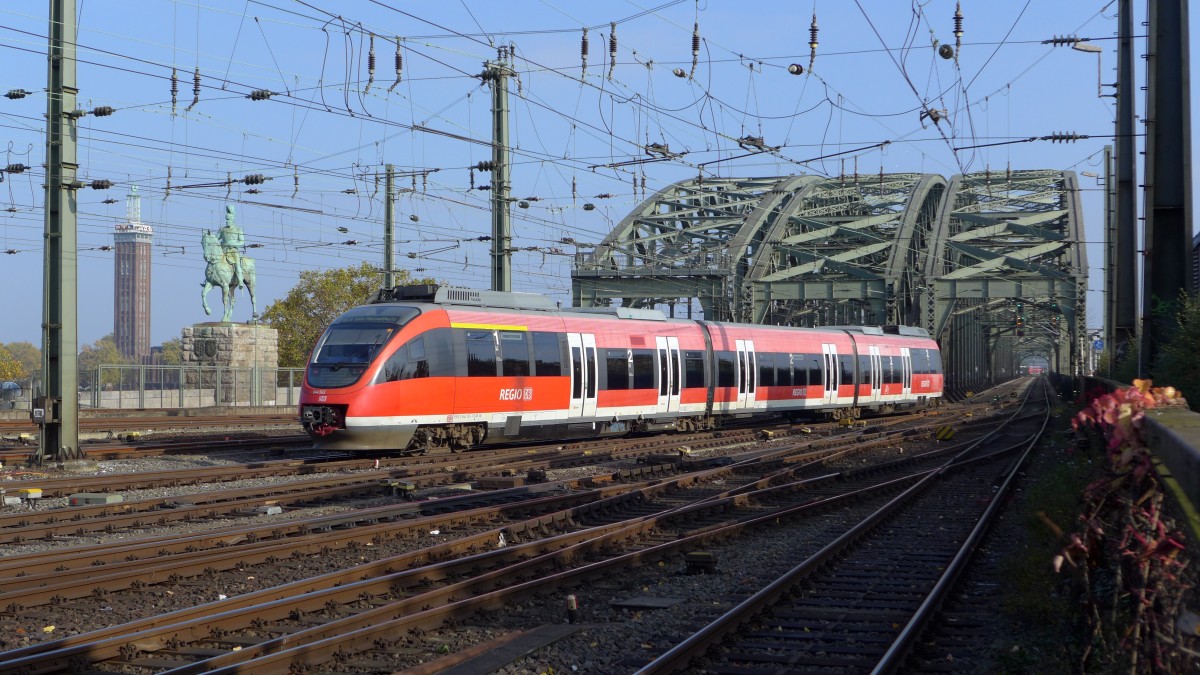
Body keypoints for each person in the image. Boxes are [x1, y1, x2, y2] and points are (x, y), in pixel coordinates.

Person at [218, 204, 245, 277]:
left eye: (228, 220)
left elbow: (242, 242)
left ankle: (240, 280)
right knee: (213, 261)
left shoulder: (238, 229)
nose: (227, 221)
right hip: (222, 250)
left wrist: (233, 244)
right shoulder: (222, 229)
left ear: (233, 220)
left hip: (233, 250)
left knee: (237, 264)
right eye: (226, 219)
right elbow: (216, 238)